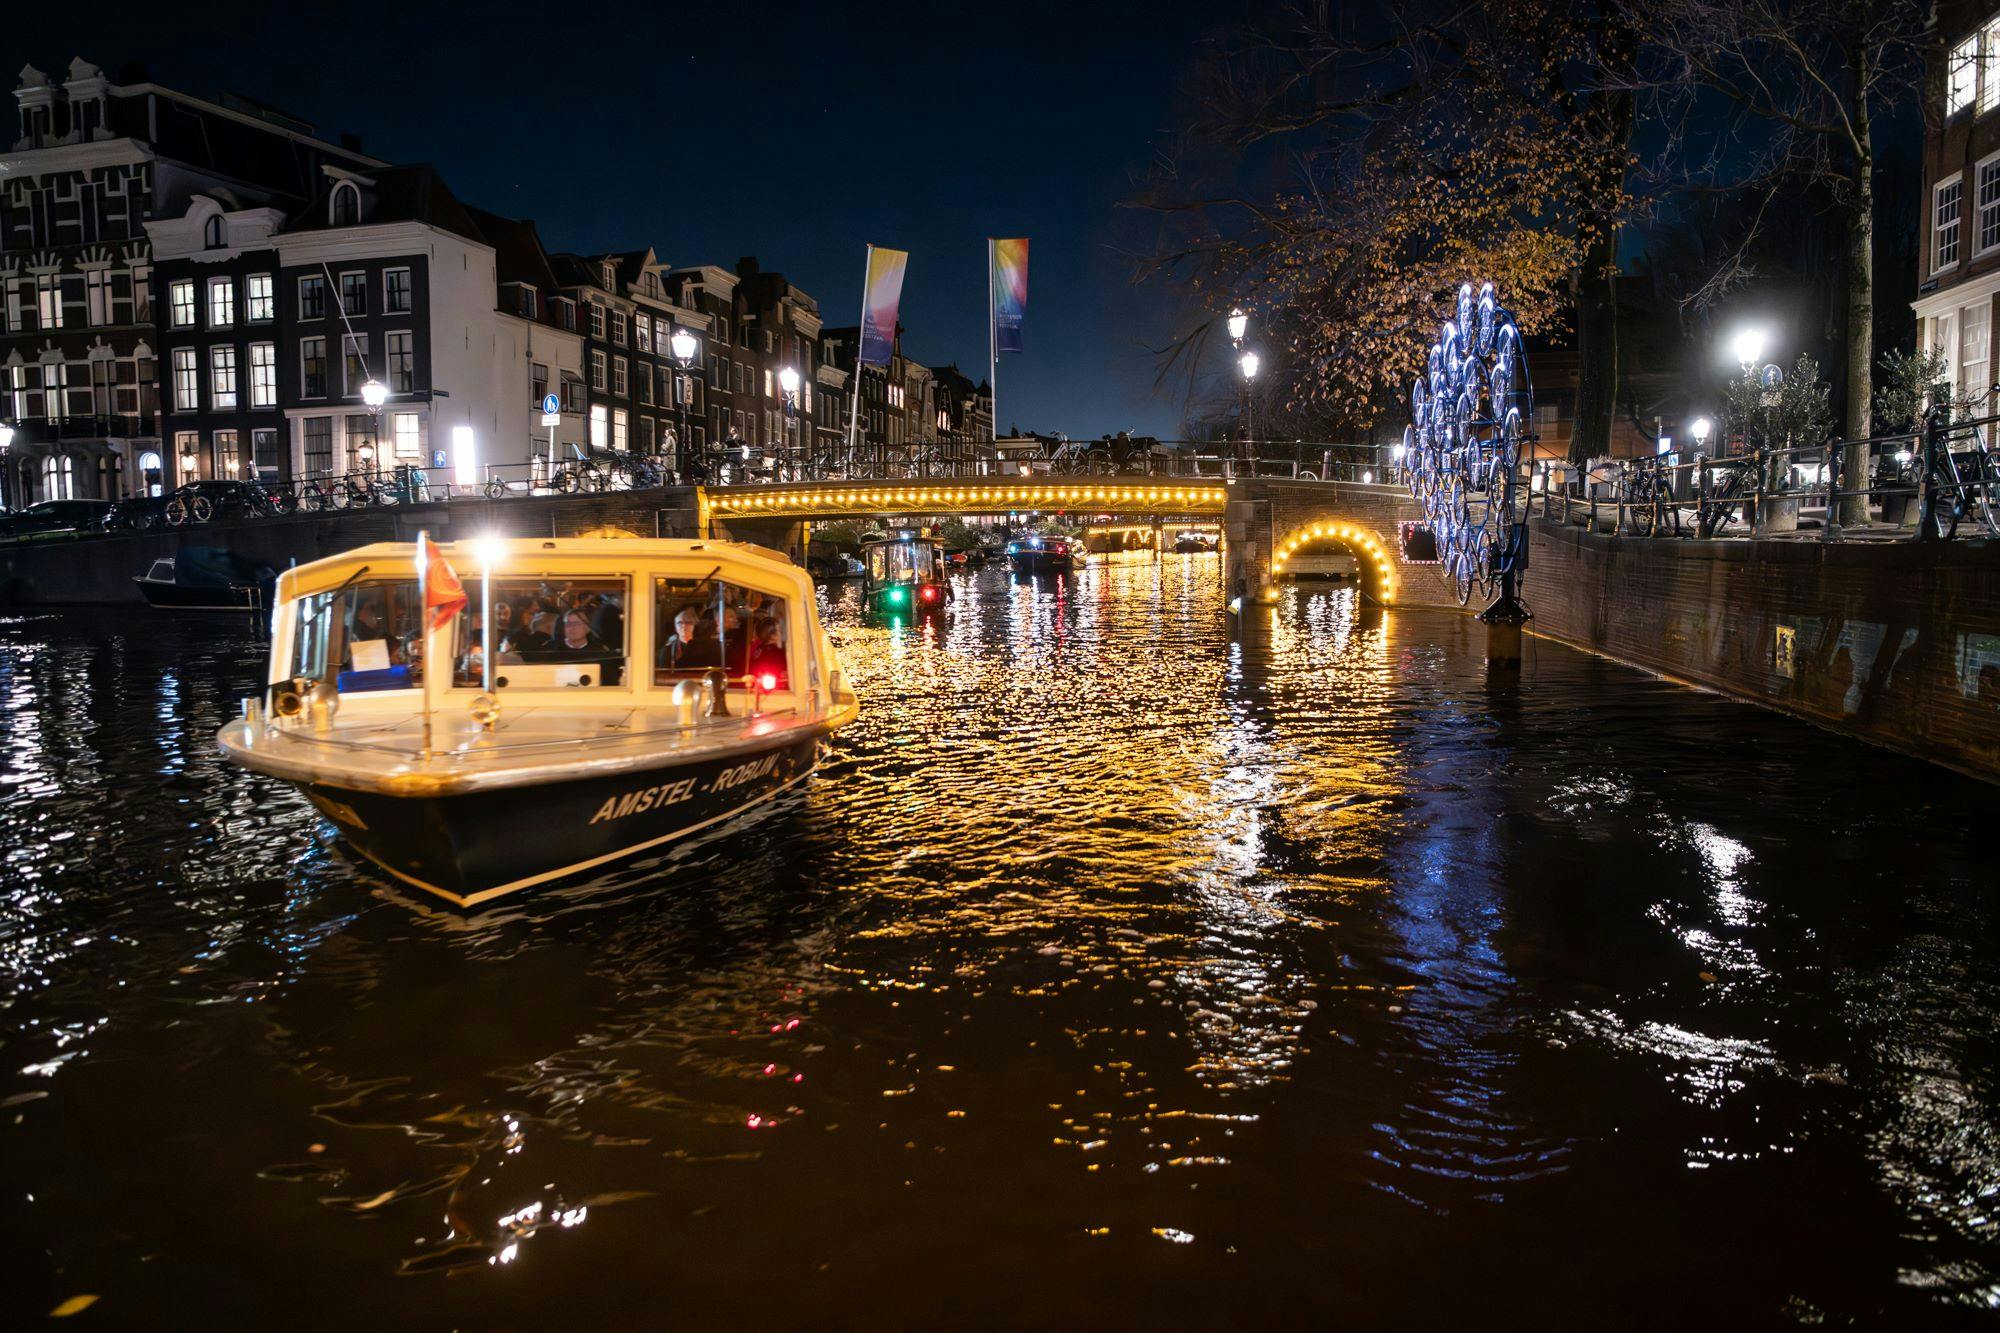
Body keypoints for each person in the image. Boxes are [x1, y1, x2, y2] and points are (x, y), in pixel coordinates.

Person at [661, 604, 721, 671]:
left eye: (688, 622)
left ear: (695, 624)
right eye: (679, 623)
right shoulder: (669, 651)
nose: (683, 627)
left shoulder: (710, 647)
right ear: (675, 626)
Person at [746, 614, 787, 688]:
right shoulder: (776, 653)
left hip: (756, 687)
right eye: (779, 631)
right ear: (772, 636)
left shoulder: (759, 649)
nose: (781, 634)